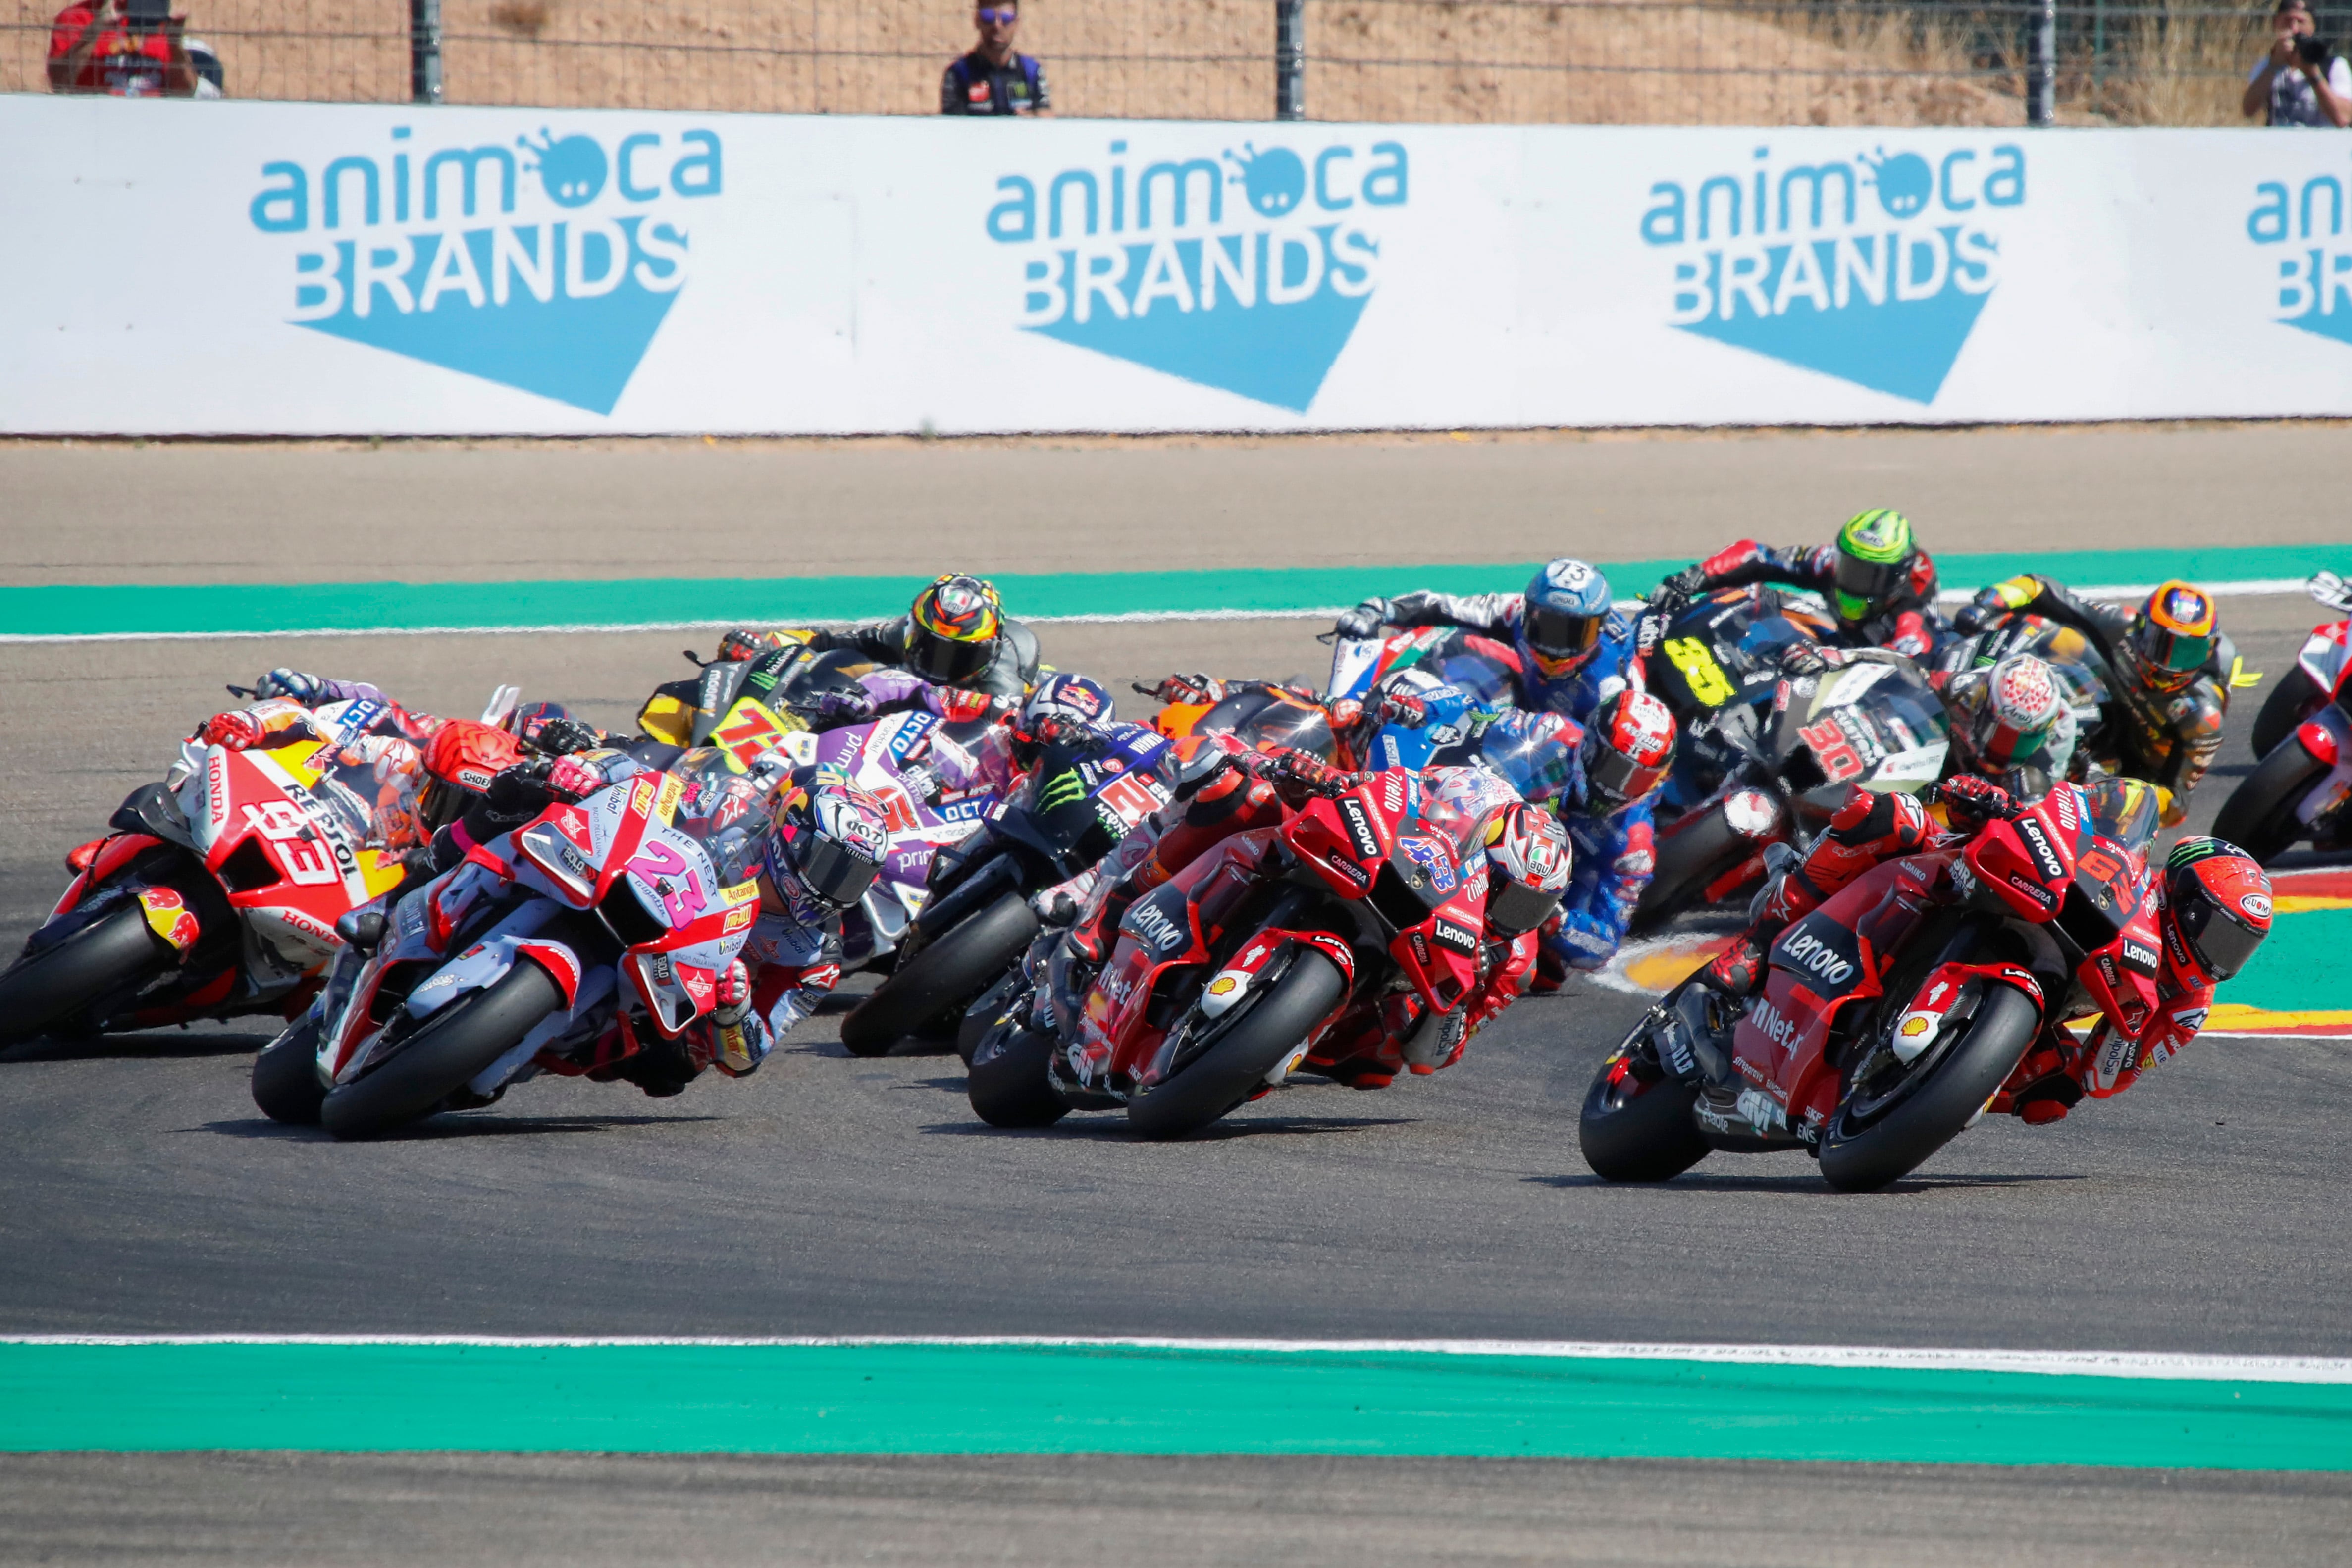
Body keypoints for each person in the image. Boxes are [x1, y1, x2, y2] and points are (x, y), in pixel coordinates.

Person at [1697, 777, 2272, 1123]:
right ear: (2187, 900)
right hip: (1980, 884)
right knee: (1887, 816)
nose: (2221, 956)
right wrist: (1999, 803)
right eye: (2221, 933)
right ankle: (1761, 939)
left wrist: (2071, 1075)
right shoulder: (2135, 881)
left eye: (2239, 947)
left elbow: (2104, 1077)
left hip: (2042, 1002)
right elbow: (2071, 811)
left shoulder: (2189, 1001)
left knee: (2048, 1091)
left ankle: (1916, 1092)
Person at [1958, 575, 2232, 826]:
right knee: (2051, 636)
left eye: (2188, 652)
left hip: (2122, 774)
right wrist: (1991, 602)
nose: (2171, 664)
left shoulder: (2202, 717)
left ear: (2209, 650)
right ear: (2142, 628)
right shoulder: (2120, 627)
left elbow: (2175, 807)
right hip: (2094, 714)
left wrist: (2126, 796)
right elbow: (2041, 589)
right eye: (2163, 644)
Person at [1497, 691, 1676, 988]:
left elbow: (1604, 945)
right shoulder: (1552, 732)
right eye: (1615, 769)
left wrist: (1556, 920)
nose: (1616, 788)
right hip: (1487, 832)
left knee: (1539, 974)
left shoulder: (1634, 847)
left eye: (1636, 780)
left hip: (1534, 906)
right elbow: (1479, 720)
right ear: (1592, 743)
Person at [1329, 558, 1645, 726]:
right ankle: (1366, 704)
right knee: (1462, 640)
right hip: (1511, 716)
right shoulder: (1515, 611)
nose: (1556, 647)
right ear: (1530, 610)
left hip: (1556, 760)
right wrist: (1382, 609)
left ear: (1598, 630)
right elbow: (1445, 606)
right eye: (1547, 626)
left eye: (1573, 633)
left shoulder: (1613, 686)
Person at [1648, 509, 1944, 661]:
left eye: (1870, 575)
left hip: (1891, 688)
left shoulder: (1910, 610)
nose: (1853, 579)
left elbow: (1910, 657)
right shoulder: (1829, 562)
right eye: (1851, 566)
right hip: (1838, 650)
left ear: (1897, 577)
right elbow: (1759, 556)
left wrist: (1835, 659)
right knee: (1769, 602)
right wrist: (1694, 577)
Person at [716, 574, 1042, 701]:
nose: (938, 666)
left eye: (955, 656)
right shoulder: (897, 636)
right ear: (914, 632)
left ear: (987, 651)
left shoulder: (1004, 681)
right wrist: (765, 646)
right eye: (930, 647)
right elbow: (823, 642)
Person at [1939, 650, 2077, 797]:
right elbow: (1921, 681)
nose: (2003, 751)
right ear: (1982, 704)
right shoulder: (1963, 689)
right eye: (2000, 733)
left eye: (2021, 742)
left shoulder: (2054, 746)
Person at [49, 0, 202, 96]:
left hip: (153, 121)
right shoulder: (77, 17)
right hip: (96, 120)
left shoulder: (160, 17)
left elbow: (186, 91)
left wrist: (175, 44)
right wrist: (92, 34)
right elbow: (59, 83)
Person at [2244, 0, 2352, 127]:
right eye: (2287, 21)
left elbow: (2343, 119)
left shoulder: (2334, 66)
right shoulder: (2268, 65)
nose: (2294, 29)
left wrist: (2313, 74)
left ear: (2313, 26)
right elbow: (2249, 110)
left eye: (2301, 22)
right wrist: (2273, 67)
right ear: (2276, 24)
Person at [941, 0, 1051, 116]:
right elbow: (952, 126)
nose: (997, 25)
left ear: (1017, 23)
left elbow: (1047, 117)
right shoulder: (959, 73)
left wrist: (1030, 122)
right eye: (988, 17)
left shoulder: (1032, 71)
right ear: (977, 21)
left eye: (1006, 18)